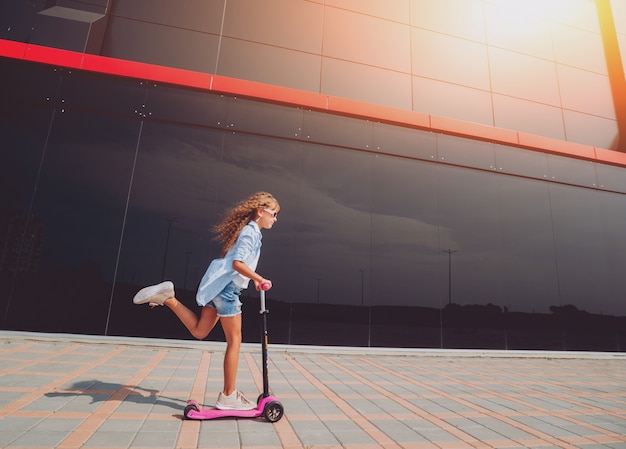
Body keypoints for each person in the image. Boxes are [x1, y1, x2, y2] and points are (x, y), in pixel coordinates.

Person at [132, 192, 280, 410]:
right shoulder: (250, 232)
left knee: (200, 332)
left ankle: (168, 298)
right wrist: (259, 278)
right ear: (260, 211)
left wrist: (253, 280)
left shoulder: (252, 232)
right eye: (273, 213)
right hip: (228, 290)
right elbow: (238, 263)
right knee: (235, 341)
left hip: (220, 288)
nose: (275, 218)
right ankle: (228, 396)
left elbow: (236, 263)